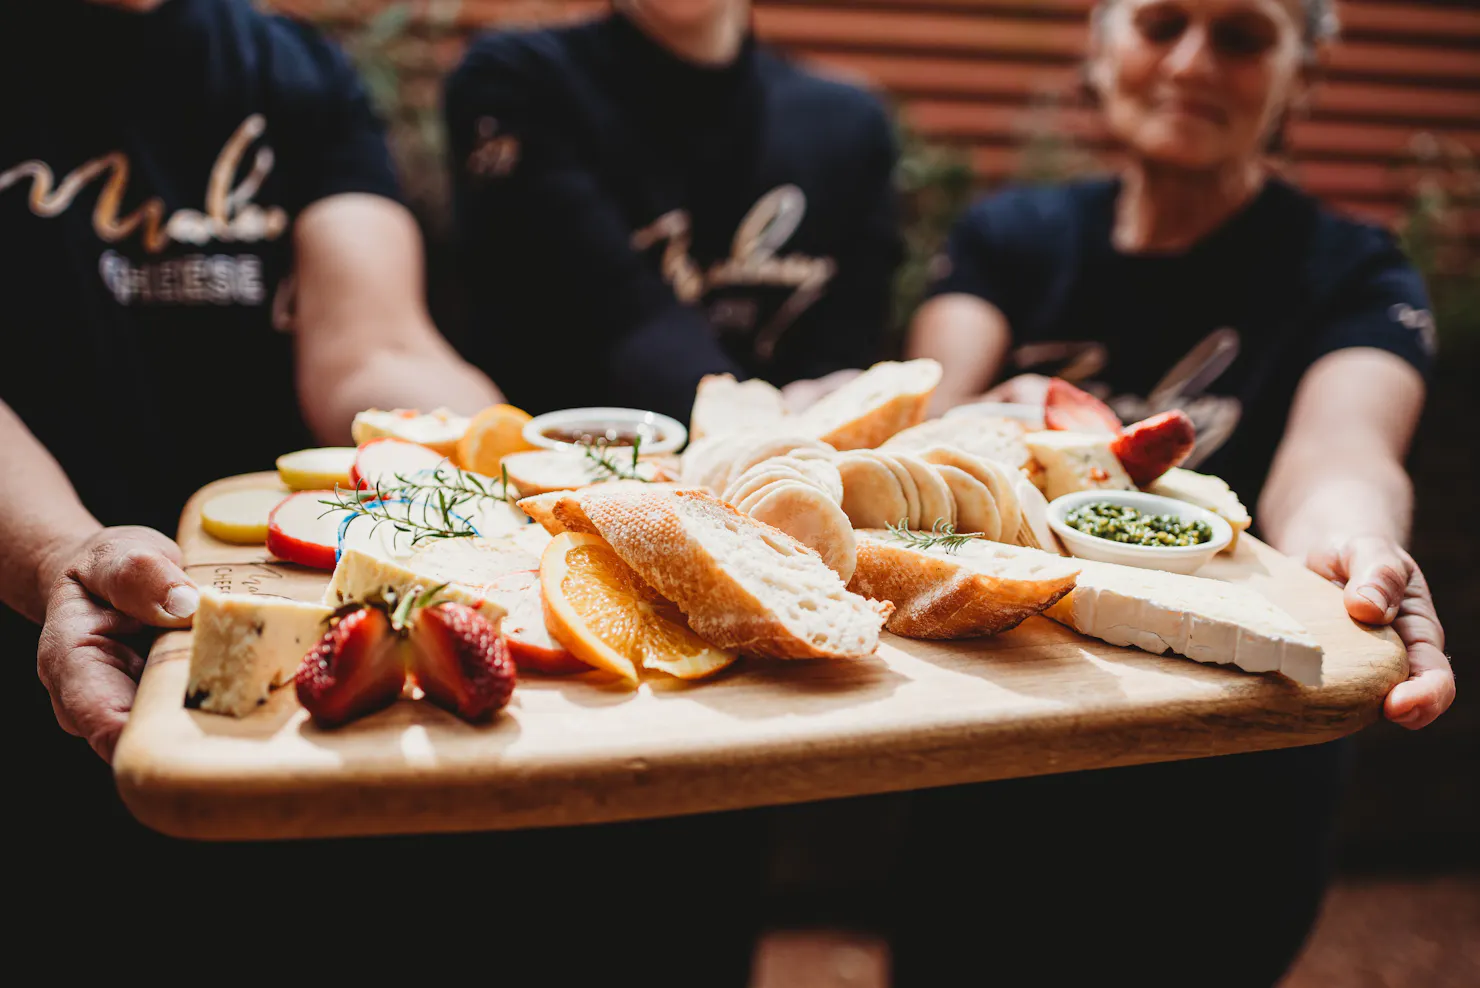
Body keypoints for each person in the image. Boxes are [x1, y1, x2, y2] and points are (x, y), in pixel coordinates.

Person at [5, 9, 766, 980]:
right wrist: (48, 550)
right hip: (47, 630)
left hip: (296, 630)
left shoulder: (286, 65)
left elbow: (372, 347)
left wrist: (520, 474)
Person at [892, 1, 1454, 983]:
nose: (1192, 61)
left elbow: (1340, 457)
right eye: (1161, 23)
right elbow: (924, 413)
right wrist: (980, 417)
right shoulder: (1006, 236)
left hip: (1230, 769)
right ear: (1104, 49)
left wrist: (1357, 544)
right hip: (1008, 742)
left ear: (1302, 79)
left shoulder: (1355, 270)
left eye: (1240, 36)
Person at [444, 0, 903, 421]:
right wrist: (763, 430)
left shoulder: (850, 125)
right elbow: (614, 316)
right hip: (551, 490)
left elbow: (841, 364)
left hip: (789, 490)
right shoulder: (515, 81)